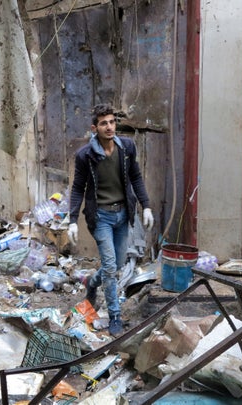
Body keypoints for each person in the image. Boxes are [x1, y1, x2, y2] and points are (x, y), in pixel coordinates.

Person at [67, 103, 154, 337]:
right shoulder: (86, 155)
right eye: (104, 123)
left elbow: (135, 177)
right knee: (109, 266)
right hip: (101, 217)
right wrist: (72, 219)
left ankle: (92, 283)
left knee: (116, 265)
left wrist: (146, 206)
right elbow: (77, 188)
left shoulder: (126, 147)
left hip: (123, 215)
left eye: (112, 122)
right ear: (94, 127)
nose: (109, 127)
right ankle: (115, 314)